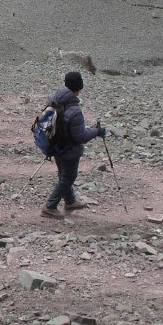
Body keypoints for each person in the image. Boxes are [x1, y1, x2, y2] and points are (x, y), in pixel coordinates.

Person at [41, 71, 106, 218]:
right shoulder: (75, 110)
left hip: (55, 145)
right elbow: (81, 137)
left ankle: (70, 201)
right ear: (79, 88)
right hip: (69, 150)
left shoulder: (54, 98)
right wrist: (96, 131)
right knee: (68, 178)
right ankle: (50, 206)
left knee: (63, 175)